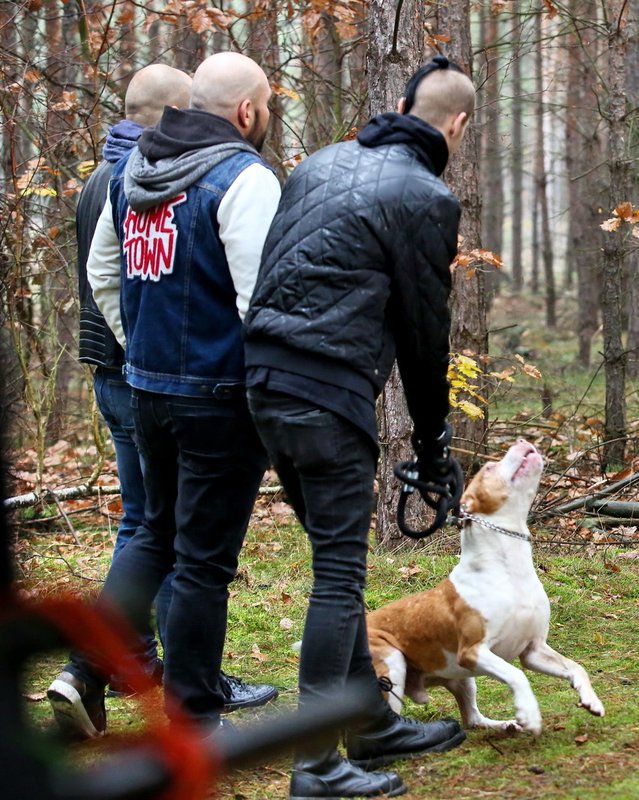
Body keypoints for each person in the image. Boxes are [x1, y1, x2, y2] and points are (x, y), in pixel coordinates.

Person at [242, 56, 474, 798]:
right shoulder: (425, 197)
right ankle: (314, 765)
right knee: (339, 578)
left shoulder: (320, 165)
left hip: (264, 384)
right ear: (457, 125)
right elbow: (423, 332)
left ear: (402, 103)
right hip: (324, 394)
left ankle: (370, 724)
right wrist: (436, 442)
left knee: (333, 566)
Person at [49, 52, 281, 738]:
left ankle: (85, 668)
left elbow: (103, 271)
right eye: (265, 105)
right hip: (217, 396)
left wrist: (139, 346)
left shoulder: (134, 171)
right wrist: (272, 394)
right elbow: (257, 303)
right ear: (247, 111)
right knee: (204, 561)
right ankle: (194, 721)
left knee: (153, 535)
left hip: (146, 387)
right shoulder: (243, 176)